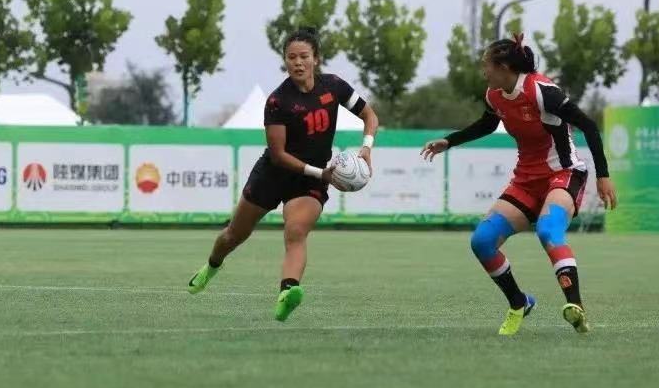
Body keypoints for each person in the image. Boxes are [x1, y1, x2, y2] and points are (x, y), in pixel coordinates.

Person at [421, 34, 618, 336]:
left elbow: (589, 126)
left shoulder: (542, 92)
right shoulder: (494, 95)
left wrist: (603, 176)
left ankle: (576, 307)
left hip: (563, 174)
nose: (483, 71)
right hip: (526, 181)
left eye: (486, 65)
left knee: (548, 230)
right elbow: (487, 124)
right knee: (482, 242)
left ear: (503, 67)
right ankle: (519, 302)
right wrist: (449, 141)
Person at [186, 28, 379, 321]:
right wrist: (322, 173)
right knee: (235, 234)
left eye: (304, 56)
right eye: (291, 57)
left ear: (316, 59)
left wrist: (366, 148)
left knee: (296, 231)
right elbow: (278, 155)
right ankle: (212, 266)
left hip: (311, 180)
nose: (298, 62)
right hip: (274, 174)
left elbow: (369, 116)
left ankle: (288, 291)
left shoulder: (334, 87)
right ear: (285, 61)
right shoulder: (278, 101)